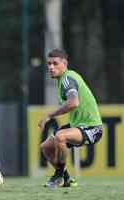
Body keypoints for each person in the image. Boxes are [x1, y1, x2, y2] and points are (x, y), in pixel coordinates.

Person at [38, 49, 103, 188]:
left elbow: (73, 103)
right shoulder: (63, 79)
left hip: (92, 128)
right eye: (48, 64)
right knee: (46, 147)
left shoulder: (68, 78)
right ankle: (66, 178)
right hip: (78, 125)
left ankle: (59, 175)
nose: (50, 67)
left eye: (55, 63)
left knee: (60, 137)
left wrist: (50, 115)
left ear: (65, 63)